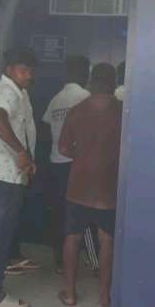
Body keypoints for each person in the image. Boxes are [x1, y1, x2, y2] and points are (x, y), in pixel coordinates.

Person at [58, 63, 122, 307]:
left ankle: (69, 294)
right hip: (109, 186)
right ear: (113, 83)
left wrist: (83, 155)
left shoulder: (77, 110)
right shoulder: (122, 111)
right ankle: (104, 299)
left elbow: (63, 148)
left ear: (91, 81)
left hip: (79, 186)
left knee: (72, 238)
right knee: (107, 240)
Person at [0, 47, 37, 307]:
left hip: (9, 172)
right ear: (8, 69)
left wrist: (27, 158)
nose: (28, 76)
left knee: (0, 233)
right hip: (5, 174)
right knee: (0, 234)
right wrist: (21, 152)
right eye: (23, 70)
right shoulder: (5, 92)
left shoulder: (17, 91)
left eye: (30, 71)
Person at [42, 55, 91, 268]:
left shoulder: (55, 99)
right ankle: (88, 258)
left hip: (56, 162)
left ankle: (60, 260)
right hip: (78, 164)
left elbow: (46, 128)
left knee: (59, 211)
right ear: (84, 73)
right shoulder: (86, 97)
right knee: (81, 212)